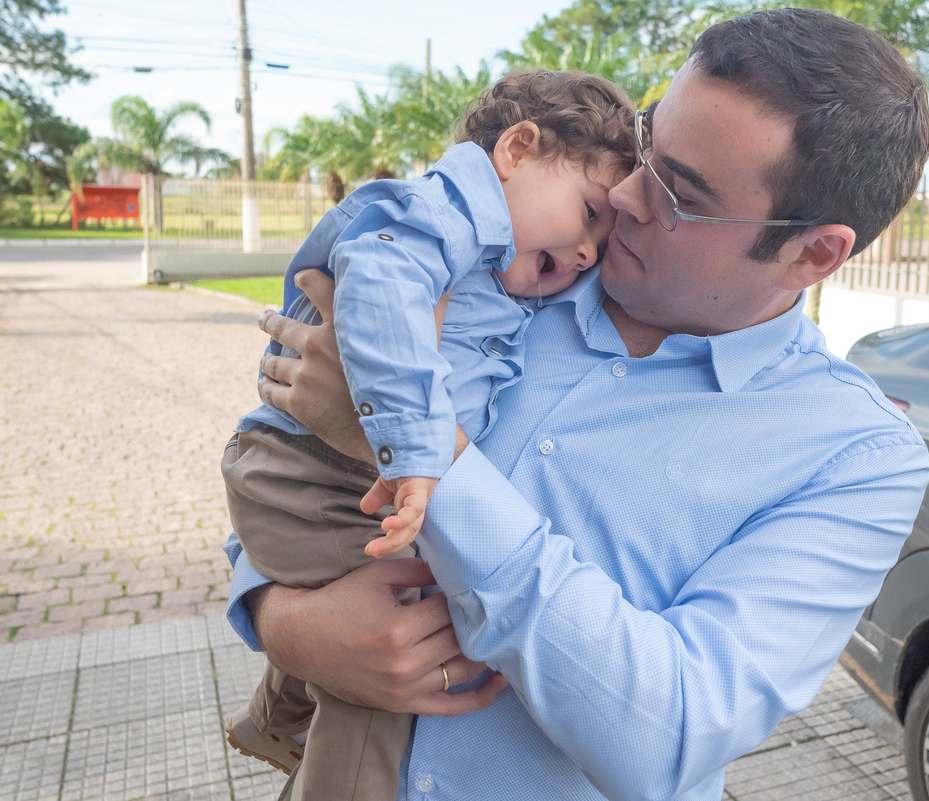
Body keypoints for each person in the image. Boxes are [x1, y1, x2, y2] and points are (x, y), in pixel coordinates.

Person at [225, 8, 929, 800]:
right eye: (647, 148)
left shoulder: (855, 457)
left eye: (679, 191)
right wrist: (287, 622)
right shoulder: (511, 274)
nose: (628, 193)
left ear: (814, 251)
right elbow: (287, 477)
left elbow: (667, 735)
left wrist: (422, 450)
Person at [220, 70, 635, 801]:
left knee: (345, 605)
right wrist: (418, 449)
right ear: (515, 149)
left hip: (325, 474)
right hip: (313, 472)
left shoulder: (498, 265)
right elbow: (378, 283)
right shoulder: (439, 212)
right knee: (386, 681)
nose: (588, 254)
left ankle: (272, 717)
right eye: (590, 214)